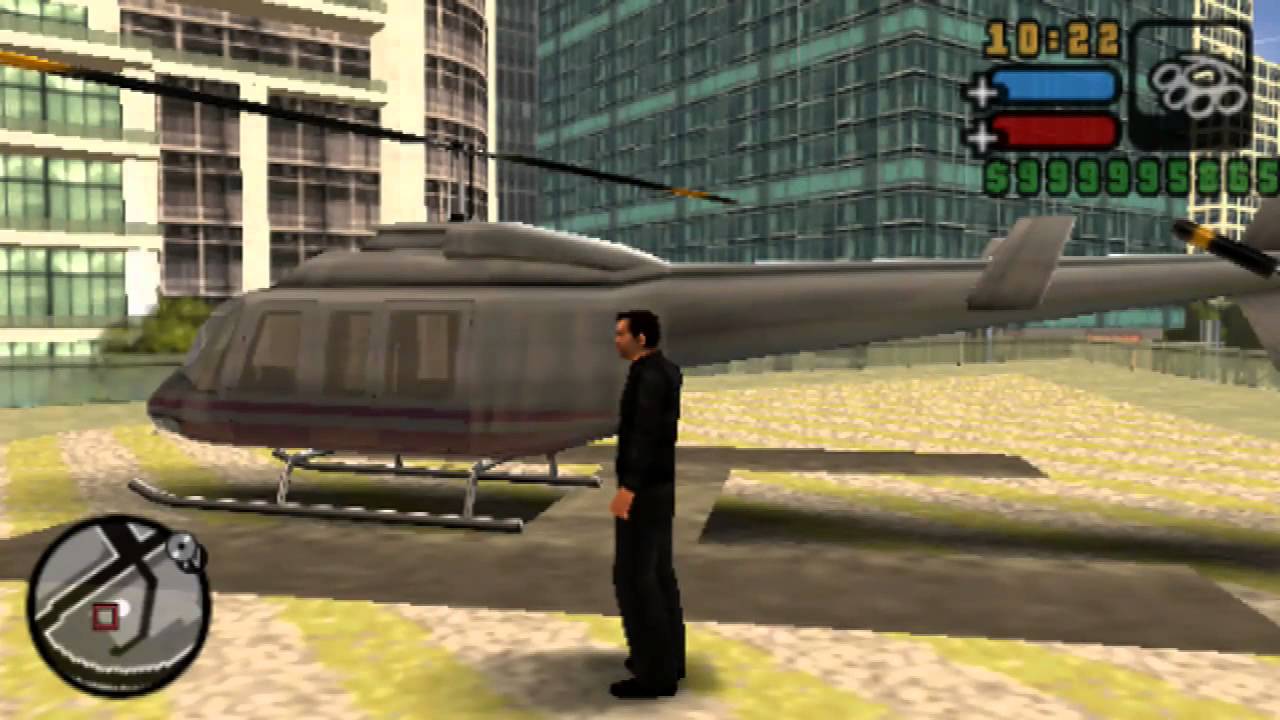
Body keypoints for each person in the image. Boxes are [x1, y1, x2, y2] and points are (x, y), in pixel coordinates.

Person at [609, 309, 686, 700]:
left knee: (634, 578)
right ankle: (669, 659)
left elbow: (643, 434)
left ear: (641, 338)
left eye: (621, 334)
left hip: (643, 490)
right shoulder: (667, 370)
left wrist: (629, 487)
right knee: (658, 573)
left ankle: (654, 672)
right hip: (661, 487)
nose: (616, 340)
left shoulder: (647, 377)